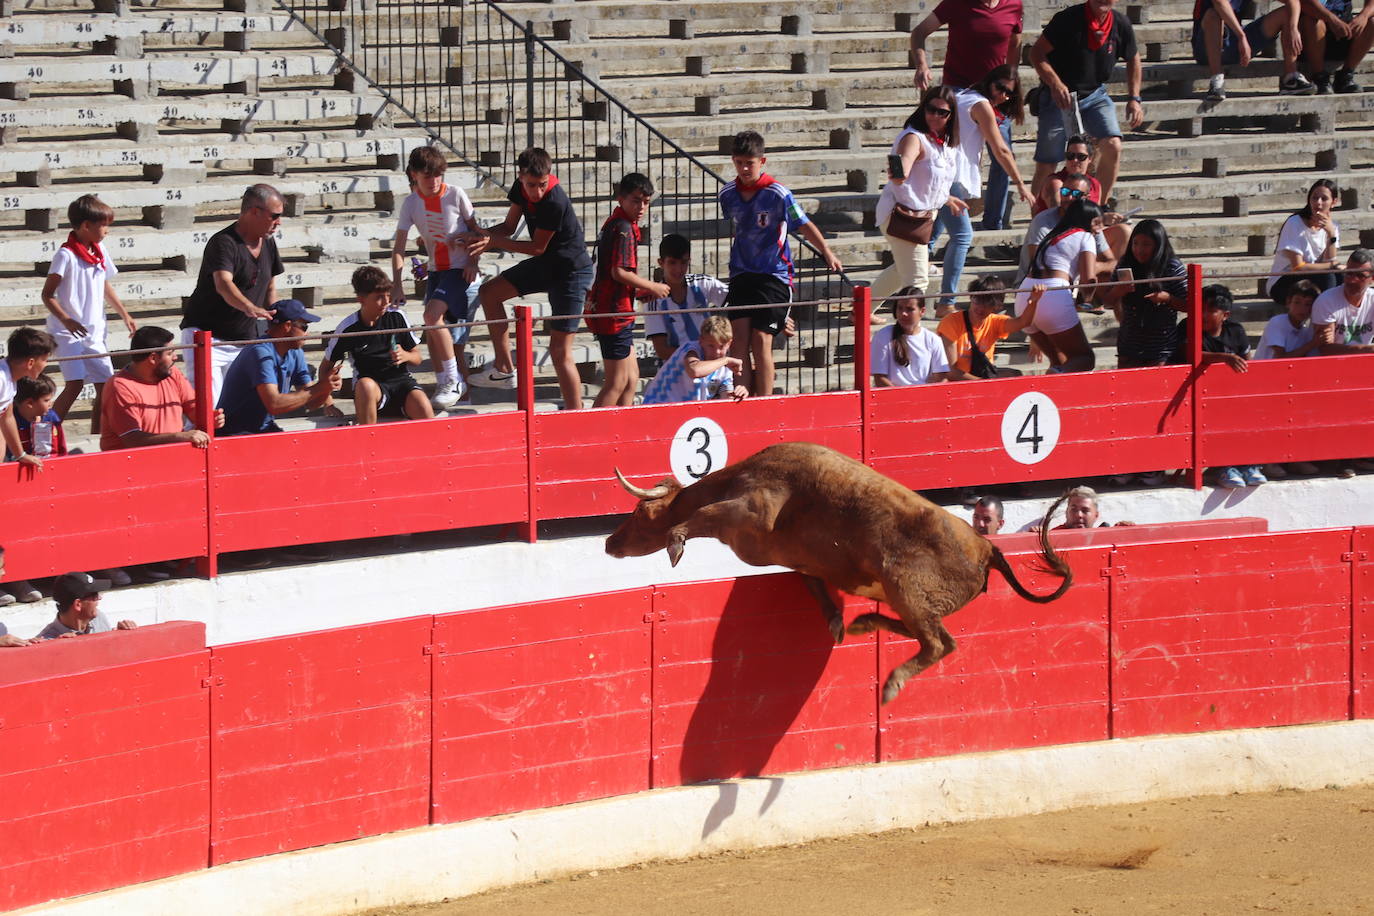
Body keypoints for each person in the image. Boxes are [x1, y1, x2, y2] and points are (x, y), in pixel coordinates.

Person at [462, 148, 593, 409]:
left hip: (571, 273)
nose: (537, 191)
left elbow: (536, 247)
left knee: (559, 352)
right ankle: (504, 367)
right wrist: (481, 235)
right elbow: (509, 227)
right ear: (520, 177)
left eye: (542, 184)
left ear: (549, 176)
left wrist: (492, 241)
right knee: (489, 293)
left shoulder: (554, 200)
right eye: (532, 185)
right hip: (548, 265)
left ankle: (575, 415)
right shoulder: (521, 189)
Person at [719, 130, 843, 397]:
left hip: (773, 275)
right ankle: (740, 395)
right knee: (738, 339)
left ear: (761, 162)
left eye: (749, 163)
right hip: (742, 273)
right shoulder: (727, 194)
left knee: (761, 340)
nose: (744, 168)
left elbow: (804, 224)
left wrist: (827, 252)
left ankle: (764, 401)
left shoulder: (778, 194)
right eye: (739, 162)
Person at [909, 0, 1026, 230]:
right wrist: (921, 65)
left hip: (993, 96)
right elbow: (919, 32)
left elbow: (1015, 43)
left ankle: (993, 223)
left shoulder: (1013, 5)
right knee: (949, 159)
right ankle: (933, 229)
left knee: (1003, 157)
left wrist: (1009, 85)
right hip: (958, 93)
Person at [934, 67, 1035, 315]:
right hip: (951, 176)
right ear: (989, 82)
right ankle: (946, 302)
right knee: (962, 237)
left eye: (1008, 93)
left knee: (928, 237)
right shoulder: (979, 104)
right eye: (999, 87)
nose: (1002, 95)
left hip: (942, 172)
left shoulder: (964, 96)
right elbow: (1000, 150)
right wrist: (1020, 183)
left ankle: (911, 294)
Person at [390, 146, 482, 410]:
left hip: (461, 270)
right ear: (414, 175)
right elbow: (399, 248)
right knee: (434, 332)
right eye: (427, 176)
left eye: (438, 175)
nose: (434, 181)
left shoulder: (456, 194)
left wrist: (473, 261)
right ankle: (449, 383)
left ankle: (454, 381)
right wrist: (397, 284)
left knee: (433, 319)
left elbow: (479, 232)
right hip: (436, 271)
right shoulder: (410, 202)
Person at [1029, 0, 1143, 203]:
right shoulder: (1068, 19)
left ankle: (1097, 206)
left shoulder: (1120, 23)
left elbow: (1133, 58)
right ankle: (1039, 216)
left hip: (1094, 94)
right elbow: (1036, 53)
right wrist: (1055, 84)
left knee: (1113, 145)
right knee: (1047, 163)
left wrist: (1134, 98)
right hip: (1059, 96)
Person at [40, 194, 137, 435]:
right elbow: (47, 294)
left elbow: (104, 283)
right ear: (86, 225)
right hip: (68, 332)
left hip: (94, 331)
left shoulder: (100, 249)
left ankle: (98, 435)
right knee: (73, 385)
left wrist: (124, 313)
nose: (106, 231)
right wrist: (67, 320)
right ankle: (44, 434)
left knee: (105, 386)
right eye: (103, 225)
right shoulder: (65, 255)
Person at [180, 184, 285, 403]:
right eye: (274, 216)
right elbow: (223, 284)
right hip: (209, 337)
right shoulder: (223, 242)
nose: (279, 222)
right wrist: (251, 308)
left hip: (245, 339)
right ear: (254, 211)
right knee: (209, 407)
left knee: (239, 408)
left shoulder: (268, 243)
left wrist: (277, 321)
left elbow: (270, 288)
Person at [872, 89, 964, 306]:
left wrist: (946, 198)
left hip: (920, 217)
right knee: (917, 281)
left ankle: (861, 311)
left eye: (942, 112)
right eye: (930, 109)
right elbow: (901, 169)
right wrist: (897, 174)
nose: (935, 116)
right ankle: (907, 332)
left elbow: (932, 179)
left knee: (901, 270)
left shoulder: (943, 142)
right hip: (902, 215)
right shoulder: (914, 137)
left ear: (951, 116)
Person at [586, 173, 670, 409]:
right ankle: (591, 435)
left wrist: (639, 291)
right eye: (636, 201)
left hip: (615, 309)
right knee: (617, 381)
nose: (641, 207)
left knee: (631, 378)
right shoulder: (623, 228)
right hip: (613, 313)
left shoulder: (617, 223)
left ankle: (619, 431)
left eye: (645, 201)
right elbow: (618, 272)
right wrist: (652, 285)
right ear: (621, 198)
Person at [1169, 285, 1263, 488]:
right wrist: (1225, 358)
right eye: (1200, 308)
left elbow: (1247, 364)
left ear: (1225, 315)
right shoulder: (1187, 326)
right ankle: (1223, 467)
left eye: (1210, 310)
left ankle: (1246, 465)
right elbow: (1189, 354)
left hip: (1229, 396)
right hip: (1190, 399)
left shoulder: (1235, 331)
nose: (1202, 314)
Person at [319, 266, 433, 425]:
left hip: (401, 382)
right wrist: (328, 402)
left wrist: (405, 356)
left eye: (388, 295)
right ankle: (367, 443)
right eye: (379, 297)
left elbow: (417, 358)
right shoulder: (347, 328)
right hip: (371, 390)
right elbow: (325, 367)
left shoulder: (397, 317)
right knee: (365, 385)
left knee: (424, 407)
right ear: (361, 299)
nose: (386, 302)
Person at [217, 299, 340, 435]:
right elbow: (274, 404)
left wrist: (327, 387)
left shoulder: (295, 351)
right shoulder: (260, 352)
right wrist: (320, 387)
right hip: (234, 432)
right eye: (304, 327)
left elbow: (311, 404)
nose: (307, 334)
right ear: (287, 326)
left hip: (260, 428)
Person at [1015, 197, 1108, 373]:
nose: (1099, 229)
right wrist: (1087, 301)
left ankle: (1056, 377)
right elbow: (1089, 279)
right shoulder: (1085, 236)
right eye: (1097, 223)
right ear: (1086, 220)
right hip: (1053, 295)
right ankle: (1059, 374)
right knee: (1085, 358)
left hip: (1024, 295)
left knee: (1058, 359)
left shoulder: (1052, 235)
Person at [101, 325, 223, 451]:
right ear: (153, 358)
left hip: (169, 458)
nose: (175, 357)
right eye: (170, 353)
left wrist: (211, 419)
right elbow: (132, 439)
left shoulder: (173, 373)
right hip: (129, 465)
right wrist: (179, 437)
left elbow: (194, 411)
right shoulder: (120, 386)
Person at [1102, 219, 1188, 368]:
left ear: (1158, 245)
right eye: (1135, 243)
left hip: (1162, 347)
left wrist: (1167, 298)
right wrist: (1118, 291)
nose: (1139, 249)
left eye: (1146, 244)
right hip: (1128, 346)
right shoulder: (1125, 263)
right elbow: (1107, 302)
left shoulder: (1172, 267)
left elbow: (1190, 305)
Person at [1195, 0, 1313, 101]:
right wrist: (1242, 36)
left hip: (1235, 43)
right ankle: (1216, 82)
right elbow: (1219, 3)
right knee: (1213, 14)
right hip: (1206, 47)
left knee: (1288, 13)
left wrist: (1293, 27)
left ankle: (1290, 78)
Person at [644, 234, 729, 362]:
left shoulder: (703, 283)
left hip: (710, 363)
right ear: (661, 263)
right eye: (672, 263)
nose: (679, 269)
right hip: (677, 369)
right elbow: (662, 350)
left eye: (683, 262)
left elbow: (736, 302)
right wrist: (696, 360)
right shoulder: (654, 301)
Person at [938, 277, 1044, 379]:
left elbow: (1023, 322)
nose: (980, 308)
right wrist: (982, 383)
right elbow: (950, 371)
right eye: (977, 301)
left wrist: (1033, 301)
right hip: (958, 381)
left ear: (996, 306)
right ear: (971, 297)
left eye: (987, 304)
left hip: (984, 375)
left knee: (1015, 375)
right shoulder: (951, 322)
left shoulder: (995, 322)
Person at [640, 315, 748, 405]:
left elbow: (725, 398)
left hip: (687, 414)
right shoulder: (690, 349)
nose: (717, 352)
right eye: (711, 346)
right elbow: (694, 370)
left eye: (721, 346)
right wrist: (725, 361)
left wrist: (738, 394)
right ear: (701, 340)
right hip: (659, 407)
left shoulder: (725, 365)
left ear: (729, 343)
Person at [1267, 179, 1342, 306]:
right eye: (1314, 198)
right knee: (1329, 276)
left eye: (1324, 199)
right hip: (1284, 282)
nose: (1318, 203)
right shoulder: (1295, 223)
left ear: (1333, 202)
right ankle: (1326, 314)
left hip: (1314, 279)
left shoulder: (1333, 227)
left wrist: (1331, 235)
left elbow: (1329, 261)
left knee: (1342, 277)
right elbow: (1298, 267)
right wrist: (1332, 266)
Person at [1, 326, 57, 472]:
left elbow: (7, 418)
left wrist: (20, 454)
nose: (45, 364)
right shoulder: (1, 379)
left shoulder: (9, 379)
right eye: (44, 360)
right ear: (31, 363)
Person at [871, 291, 950, 387]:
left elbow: (941, 378)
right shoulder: (883, 336)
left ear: (922, 311)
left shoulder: (933, 339)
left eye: (910, 309)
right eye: (900, 308)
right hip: (892, 398)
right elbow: (879, 379)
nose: (903, 313)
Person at [1299, 0, 1374, 93]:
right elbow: (1305, 4)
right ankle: (1319, 78)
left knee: (1371, 21)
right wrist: (1331, 19)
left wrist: (1363, 16)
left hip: (1344, 30)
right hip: (1313, 36)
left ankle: (1345, 75)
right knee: (1311, 21)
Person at [35, 572, 137, 639]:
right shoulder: (47, 641)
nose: (99, 598)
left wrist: (120, 636)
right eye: (94, 595)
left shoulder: (98, 618)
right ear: (78, 604)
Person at [1312, 248, 1374, 353]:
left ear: (1372, 279)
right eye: (1349, 273)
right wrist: (1365, 349)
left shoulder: (1372, 299)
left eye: (1360, 276)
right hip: (1329, 363)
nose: (1352, 280)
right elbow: (1325, 348)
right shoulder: (1326, 300)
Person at [1030, 134, 1103, 217]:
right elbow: (1059, 218)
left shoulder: (1095, 184)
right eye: (1070, 156)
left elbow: (1097, 218)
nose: (1075, 160)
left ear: (1090, 158)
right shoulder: (1056, 183)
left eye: (1081, 156)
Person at [1255, 278, 1322, 359]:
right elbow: (1280, 359)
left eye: (1308, 304)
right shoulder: (1277, 322)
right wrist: (1312, 344)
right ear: (1288, 302)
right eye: (1297, 302)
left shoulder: (1307, 329)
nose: (1301, 308)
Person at [1052, 486, 1135, 528]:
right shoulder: (1051, 538)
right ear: (1066, 512)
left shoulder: (1105, 538)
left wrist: (1125, 532)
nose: (1079, 515)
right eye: (1074, 510)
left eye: (1085, 511)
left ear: (1096, 515)